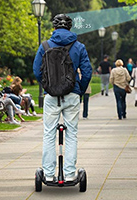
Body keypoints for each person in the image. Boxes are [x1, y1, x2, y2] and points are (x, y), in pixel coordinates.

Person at [33, 14, 92, 182]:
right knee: (72, 134)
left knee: (49, 133)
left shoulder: (45, 45)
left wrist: (47, 86)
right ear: (70, 28)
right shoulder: (79, 46)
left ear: (54, 28)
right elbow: (87, 72)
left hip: (51, 96)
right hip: (72, 94)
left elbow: (37, 71)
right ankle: (69, 173)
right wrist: (78, 90)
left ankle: (49, 174)